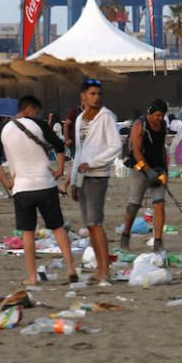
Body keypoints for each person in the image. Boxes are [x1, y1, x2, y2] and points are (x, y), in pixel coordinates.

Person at [0, 95, 78, 286]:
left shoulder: (4, 129)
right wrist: (60, 171)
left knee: (27, 233)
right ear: (29, 109)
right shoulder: (39, 125)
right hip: (45, 184)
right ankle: (71, 268)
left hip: (22, 188)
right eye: (36, 111)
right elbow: (60, 146)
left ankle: (32, 277)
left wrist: (6, 180)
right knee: (58, 228)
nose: (37, 114)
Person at [69, 78, 121, 284]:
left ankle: (104, 271)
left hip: (98, 176)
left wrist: (93, 163)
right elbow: (79, 152)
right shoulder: (80, 118)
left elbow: (115, 146)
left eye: (98, 94)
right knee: (89, 225)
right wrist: (73, 179)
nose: (96, 97)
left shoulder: (106, 116)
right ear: (83, 96)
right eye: (92, 93)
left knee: (96, 223)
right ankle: (100, 269)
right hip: (83, 177)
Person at [120, 99, 170, 254]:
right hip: (139, 167)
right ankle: (125, 234)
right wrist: (148, 171)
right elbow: (136, 151)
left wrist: (164, 170)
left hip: (158, 167)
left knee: (159, 203)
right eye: (157, 115)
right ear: (150, 113)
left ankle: (158, 241)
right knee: (134, 204)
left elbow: (161, 147)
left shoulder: (162, 126)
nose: (159, 118)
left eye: (162, 115)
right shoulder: (139, 125)